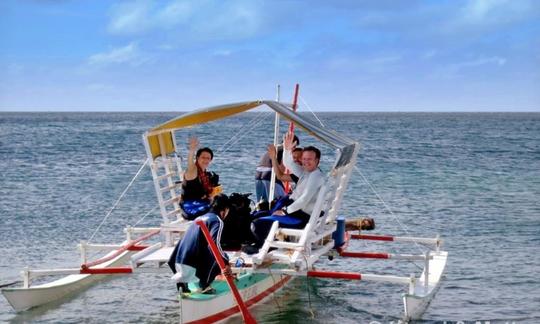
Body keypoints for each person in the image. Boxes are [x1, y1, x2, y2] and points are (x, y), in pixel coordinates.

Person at [250, 132, 325, 248]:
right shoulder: (306, 172)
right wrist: (286, 149)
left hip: (300, 217)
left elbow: (304, 199)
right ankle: (259, 244)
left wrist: (285, 211)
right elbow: (288, 163)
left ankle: (265, 248)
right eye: (304, 159)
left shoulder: (316, 176)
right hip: (295, 212)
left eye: (309, 159)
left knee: (257, 224)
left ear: (317, 161)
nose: (305, 162)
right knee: (254, 216)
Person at [168, 194, 231, 294]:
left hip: (177, 263)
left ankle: (183, 287)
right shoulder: (217, 221)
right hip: (191, 266)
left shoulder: (199, 218)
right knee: (222, 255)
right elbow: (214, 245)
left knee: (210, 251)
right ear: (225, 210)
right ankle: (204, 286)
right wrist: (226, 263)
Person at [180, 137, 220, 220]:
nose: (205, 160)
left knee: (225, 204)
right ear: (197, 158)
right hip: (191, 207)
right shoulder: (193, 171)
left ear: (210, 160)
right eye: (203, 157)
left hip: (202, 203)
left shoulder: (206, 175)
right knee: (219, 209)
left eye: (208, 158)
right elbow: (190, 163)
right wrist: (192, 150)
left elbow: (210, 194)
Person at [254, 136, 299, 203]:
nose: (294, 149)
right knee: (279, 201)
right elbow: (280, 172)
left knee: (262, 203)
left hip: (258, 174)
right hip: (269, 175)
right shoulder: (284, 150)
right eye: (294, 146)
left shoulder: (275, 148)